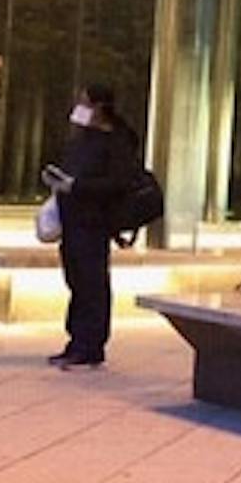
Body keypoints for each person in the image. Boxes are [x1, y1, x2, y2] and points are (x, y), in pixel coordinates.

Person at [42, 83, 139, 370]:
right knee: (76, 281)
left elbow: (118, 183)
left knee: (92, 283)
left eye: (84, 102)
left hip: (94, 222)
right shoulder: (83, 139)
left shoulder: (117, 142)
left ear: (98, 107)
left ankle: (91, 344)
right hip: (72, 220)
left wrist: (78, 186)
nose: (79, 108)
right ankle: (76, 341)